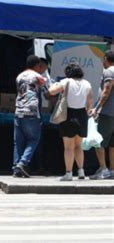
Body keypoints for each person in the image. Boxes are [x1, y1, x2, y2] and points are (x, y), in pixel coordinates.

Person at [48, 63, 93, 181]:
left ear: (68, 73)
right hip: (82, 116)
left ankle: (68, 173)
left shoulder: (66, 81)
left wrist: (56, 83)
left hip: (69, 115)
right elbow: (90, 103)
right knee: (79, 146)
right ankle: (81, 171)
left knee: (68, 147)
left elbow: (51, 91)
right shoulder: (87, 83)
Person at [13, 55, 45, 178]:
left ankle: (16, 168)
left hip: (18, 110)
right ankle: (22, 163)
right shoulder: (38, 77)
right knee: (34, 139)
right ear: (37, 65)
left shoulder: (19, 76)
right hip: (31, 111)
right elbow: (47, 90)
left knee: (18, 142)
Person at [89, 50, 114, 180]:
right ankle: (112, 170)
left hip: (107, 112)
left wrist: (96, 108)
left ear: (105, 59)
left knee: (99, 141)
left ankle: (104, 169)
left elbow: (106, 90)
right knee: (112, 144)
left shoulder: (109, 71)